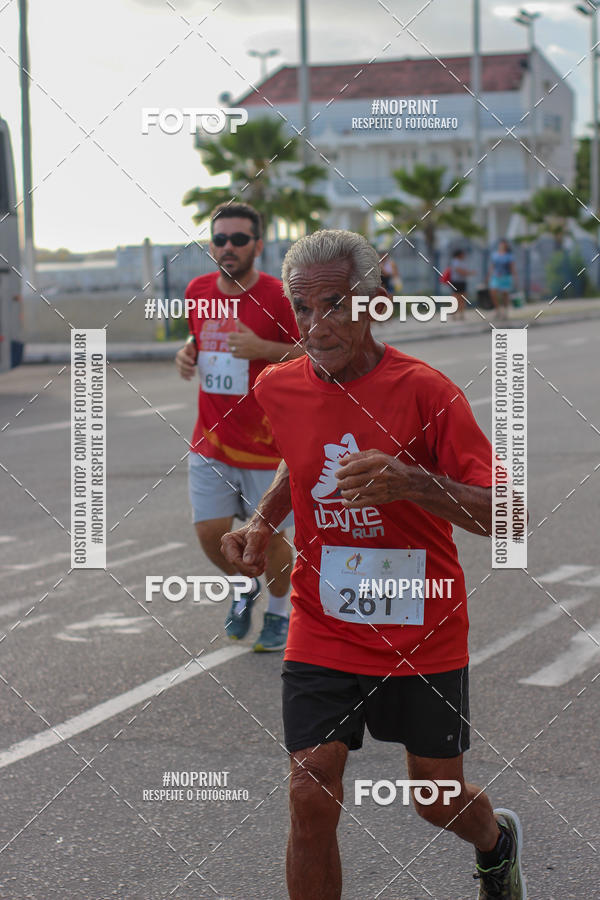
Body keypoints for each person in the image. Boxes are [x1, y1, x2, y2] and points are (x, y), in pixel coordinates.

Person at [222, 229, 526, 899]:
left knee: (435, 799)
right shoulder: (281, 386)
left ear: (377, 306)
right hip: (324, 623)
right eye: (303, 309)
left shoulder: (428, 393)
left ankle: (496, 842)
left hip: (423, 630)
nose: (316, 326)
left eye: (336, 305)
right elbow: (299, 460)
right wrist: (263, 521)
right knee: (309, 791)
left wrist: (413, 483)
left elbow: (510, 514)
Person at [175, 202, 303, 651]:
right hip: (210, 438)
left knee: (268, 540)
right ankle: (245, 588)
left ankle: (279, 610)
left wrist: (263, 348)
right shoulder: (196, 290)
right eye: (220, 239)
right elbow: (199, 335)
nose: (228, 247)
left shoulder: (279, 294)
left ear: (258, 245)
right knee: (210, 533)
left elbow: (310, 355)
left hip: (268, 445)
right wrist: (187, 352)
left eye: (239, 239)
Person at [489, 239, 518, 320]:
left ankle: (505, 311)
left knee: (505, 294)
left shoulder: (509, 256)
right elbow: (492, 266)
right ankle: (497, 309)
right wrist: (489, 276)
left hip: (506, 276)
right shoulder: (494, 255)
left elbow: (512, 268)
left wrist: (515, 278)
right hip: (496, 276)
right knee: (493, 292)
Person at [449, 248, 475, 320]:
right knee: (456, 297)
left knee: (462, 298)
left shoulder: (462, 262)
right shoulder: (455, 261)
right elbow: (459, 271)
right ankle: (454, 314)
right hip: (456, 281)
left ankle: (461, 314)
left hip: (462, 281)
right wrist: (469, 273)